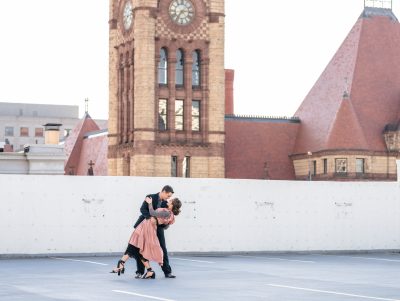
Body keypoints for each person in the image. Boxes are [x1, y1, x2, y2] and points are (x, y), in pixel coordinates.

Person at [111, 196, 182, 279]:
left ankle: (121, 263)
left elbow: (152, 213)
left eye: (171, 201)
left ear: (172, 205)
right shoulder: (169, 213)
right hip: (147, 227)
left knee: (133, 244)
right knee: (140, 249)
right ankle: (149, 271)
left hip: (147, 228)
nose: (169, 200)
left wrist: (150, 203)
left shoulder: (167, 212)